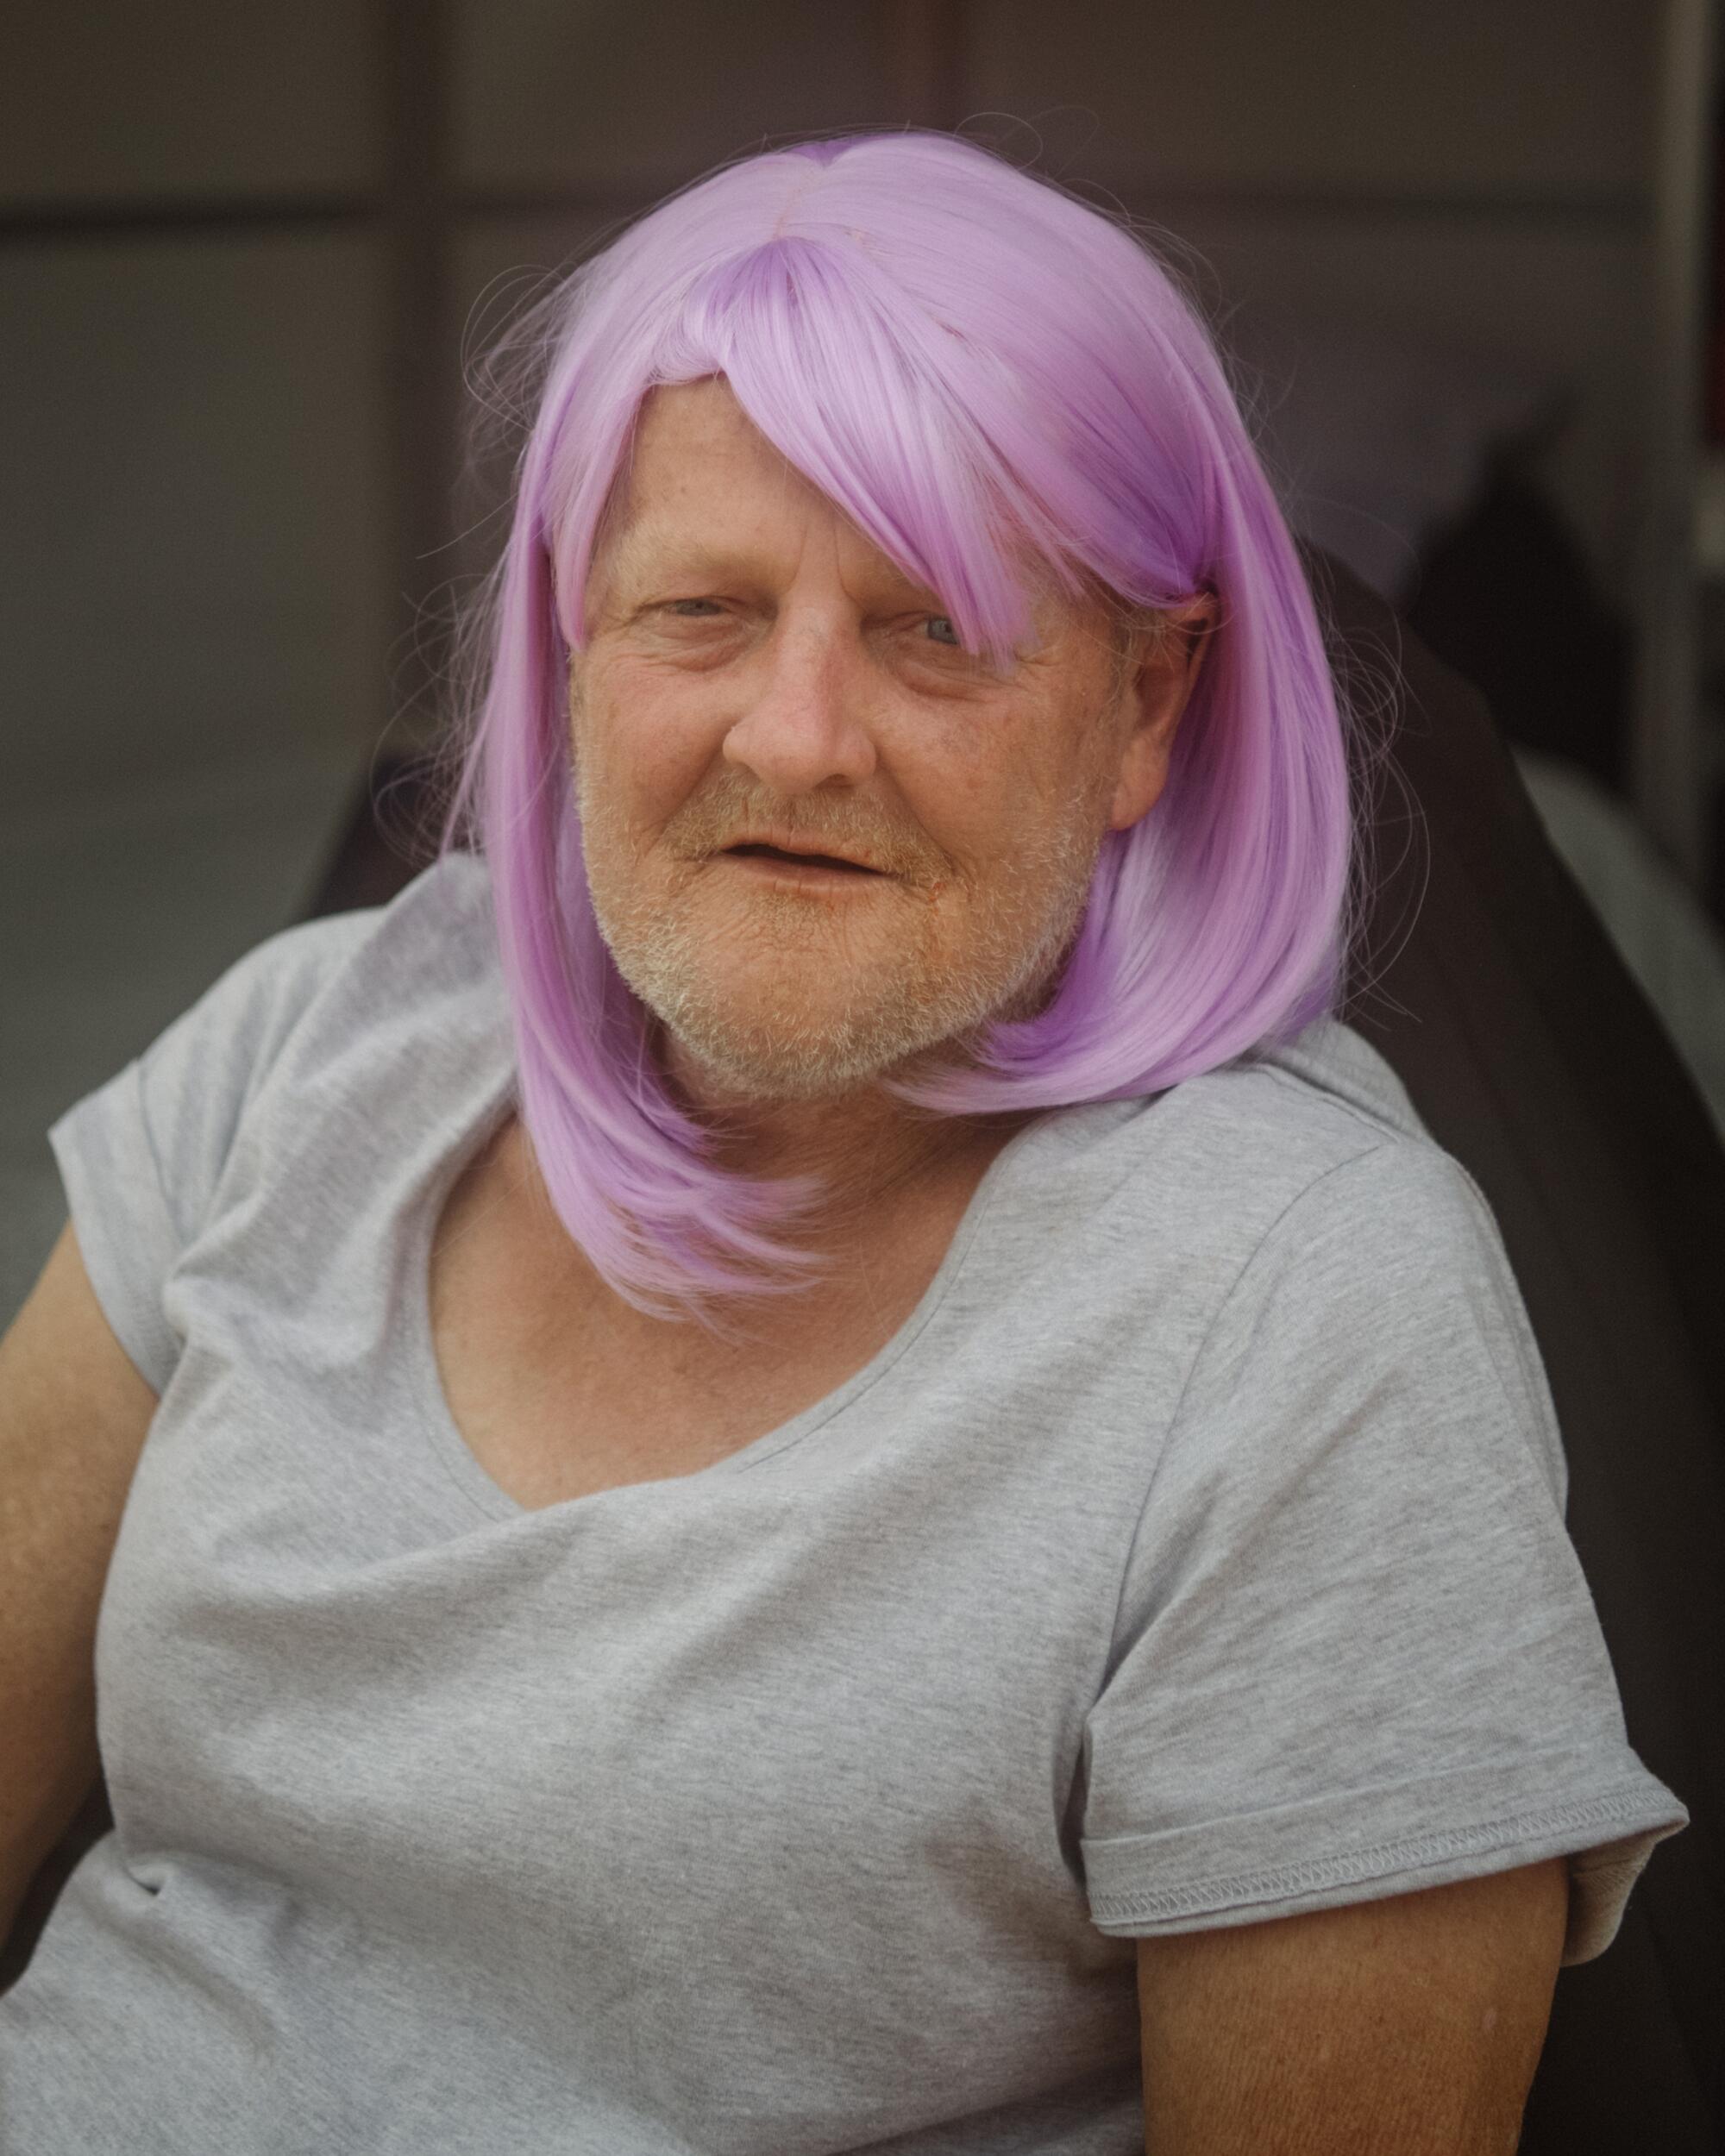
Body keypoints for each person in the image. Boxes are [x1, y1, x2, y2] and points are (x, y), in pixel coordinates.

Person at [0, 130, 1688, 2155]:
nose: (793, 736)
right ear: (568, 644)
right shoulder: (307, 1047)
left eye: (933, 630)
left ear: (1149, 701)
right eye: (701, 610)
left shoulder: (1301, 1297)